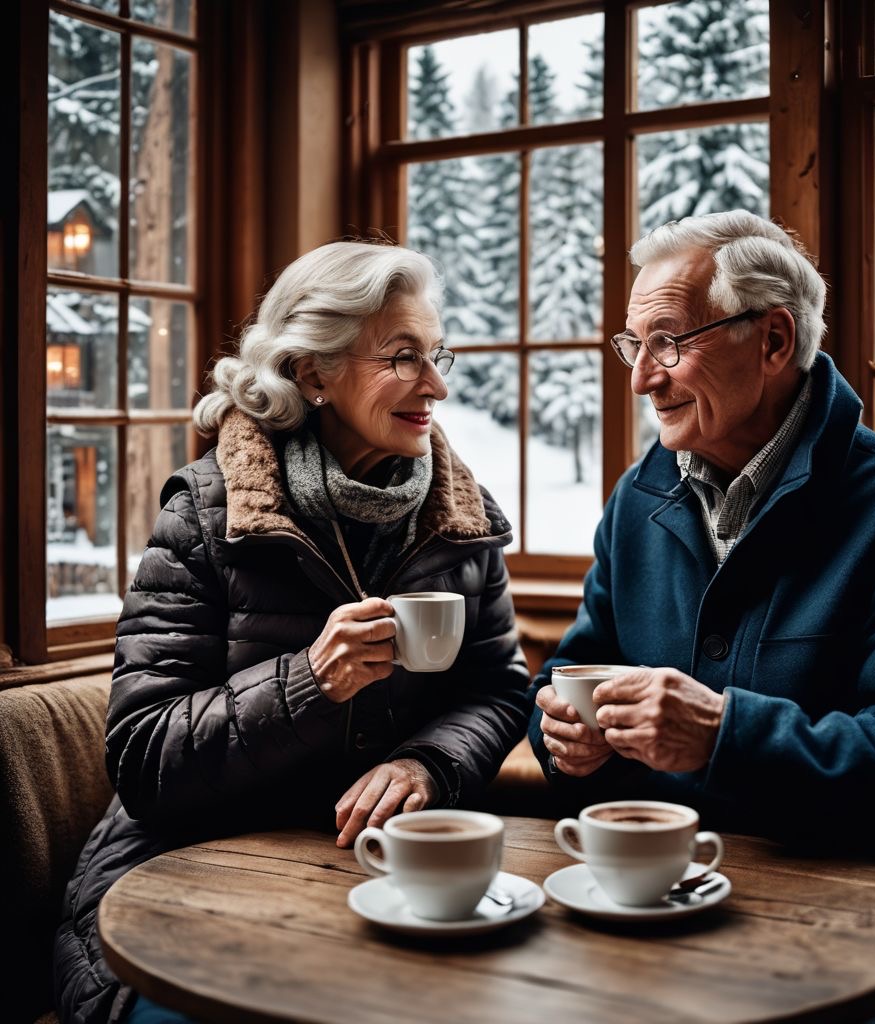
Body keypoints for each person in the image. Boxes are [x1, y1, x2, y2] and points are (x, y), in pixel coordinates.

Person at [530, 210, 875, 1022]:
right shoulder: (638, 500)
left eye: (669, 342)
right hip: (671, 895)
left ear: (774, 340)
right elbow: (573, 671)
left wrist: (723, 734)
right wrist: (566, 740)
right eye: (632, 345)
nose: (642, 378)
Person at [55, 240, 531, 1022]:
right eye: (403, 357)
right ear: (314, 374)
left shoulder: (459, 517)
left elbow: (497, 689)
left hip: (375, 875)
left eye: (436, 354)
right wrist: (308, 682)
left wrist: (427, 763)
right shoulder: (206, 515)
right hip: (187, 889)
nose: (438, 385)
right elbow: (142, 760)